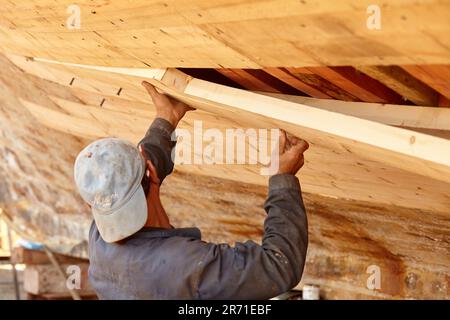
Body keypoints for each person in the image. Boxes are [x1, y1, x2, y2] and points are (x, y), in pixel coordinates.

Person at [73, 81, 309, 299]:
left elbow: (142, 171)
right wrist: (282, 179)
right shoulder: (184, 266)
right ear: (152, 172)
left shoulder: (101, 237)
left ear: (91, 204)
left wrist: (166, 119)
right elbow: (279, 265)